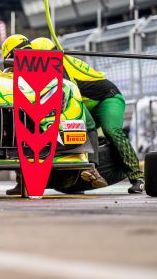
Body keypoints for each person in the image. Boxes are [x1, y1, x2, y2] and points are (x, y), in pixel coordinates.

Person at [30, 37, 145, 194]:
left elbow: (69, 96)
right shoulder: (54, 63)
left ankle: (138, 178)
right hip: (87, 104)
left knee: (111, 130)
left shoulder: (59, 65)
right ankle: (79, 177)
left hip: (108, 98)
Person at [0, 34, 108, 196]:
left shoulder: (10, 70)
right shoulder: (43, 58)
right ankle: (91, 167)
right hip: (48, 105)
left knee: (19, 136)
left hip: (29, 107)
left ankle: (23, 181)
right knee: (88, 125)